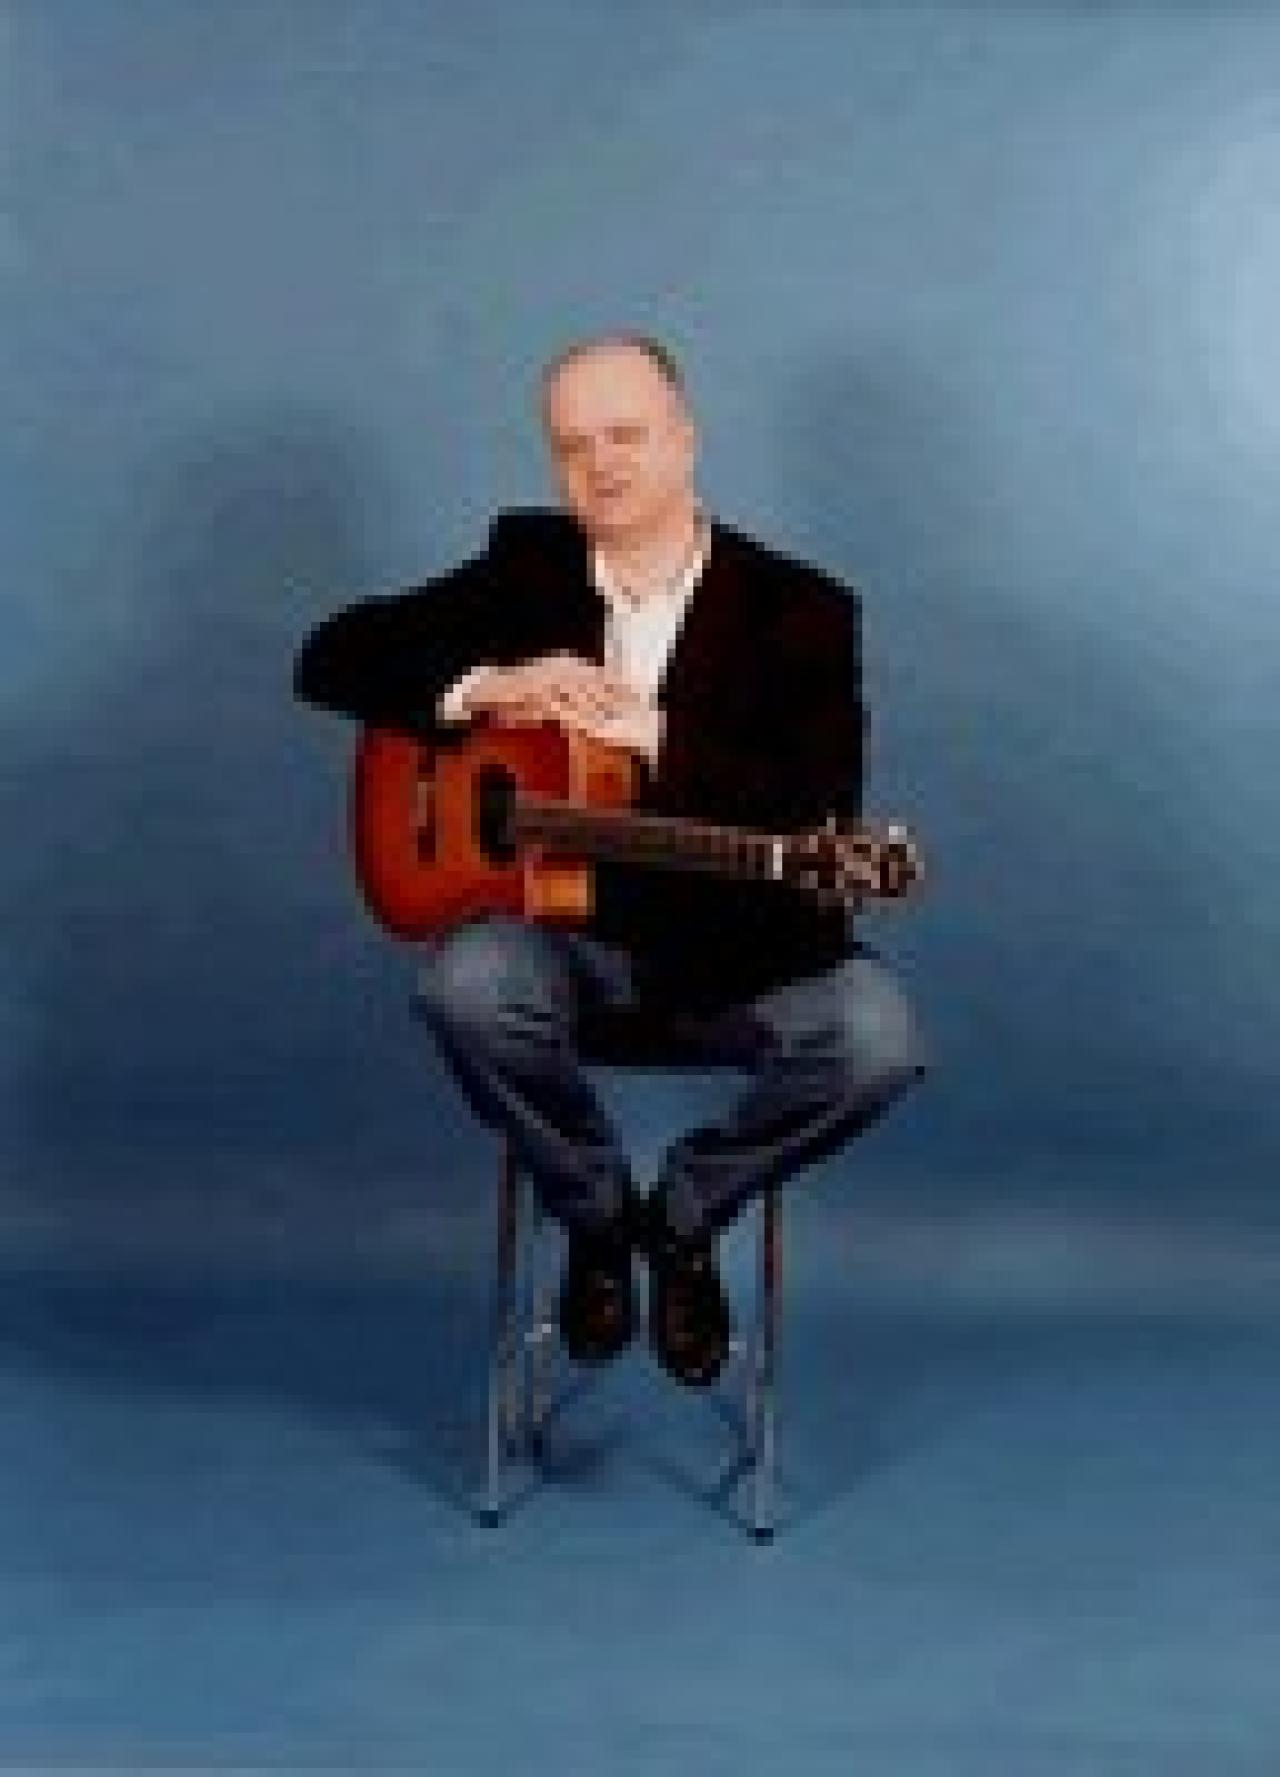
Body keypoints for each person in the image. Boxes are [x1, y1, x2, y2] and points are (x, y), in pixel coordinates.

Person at [293, 331, 928, 1389]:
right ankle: (593, 1215)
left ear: (685, 438)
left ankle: (680, 1218)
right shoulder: (526, 566)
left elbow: (817, 803)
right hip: (564, 948)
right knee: (463, 985)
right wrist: (485, 686)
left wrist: (662, 741)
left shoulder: (802, 609)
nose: (601, 464)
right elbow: (330, 655)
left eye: (625, 434)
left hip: (736, 963)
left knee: (876, 1040)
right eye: (572, 445)